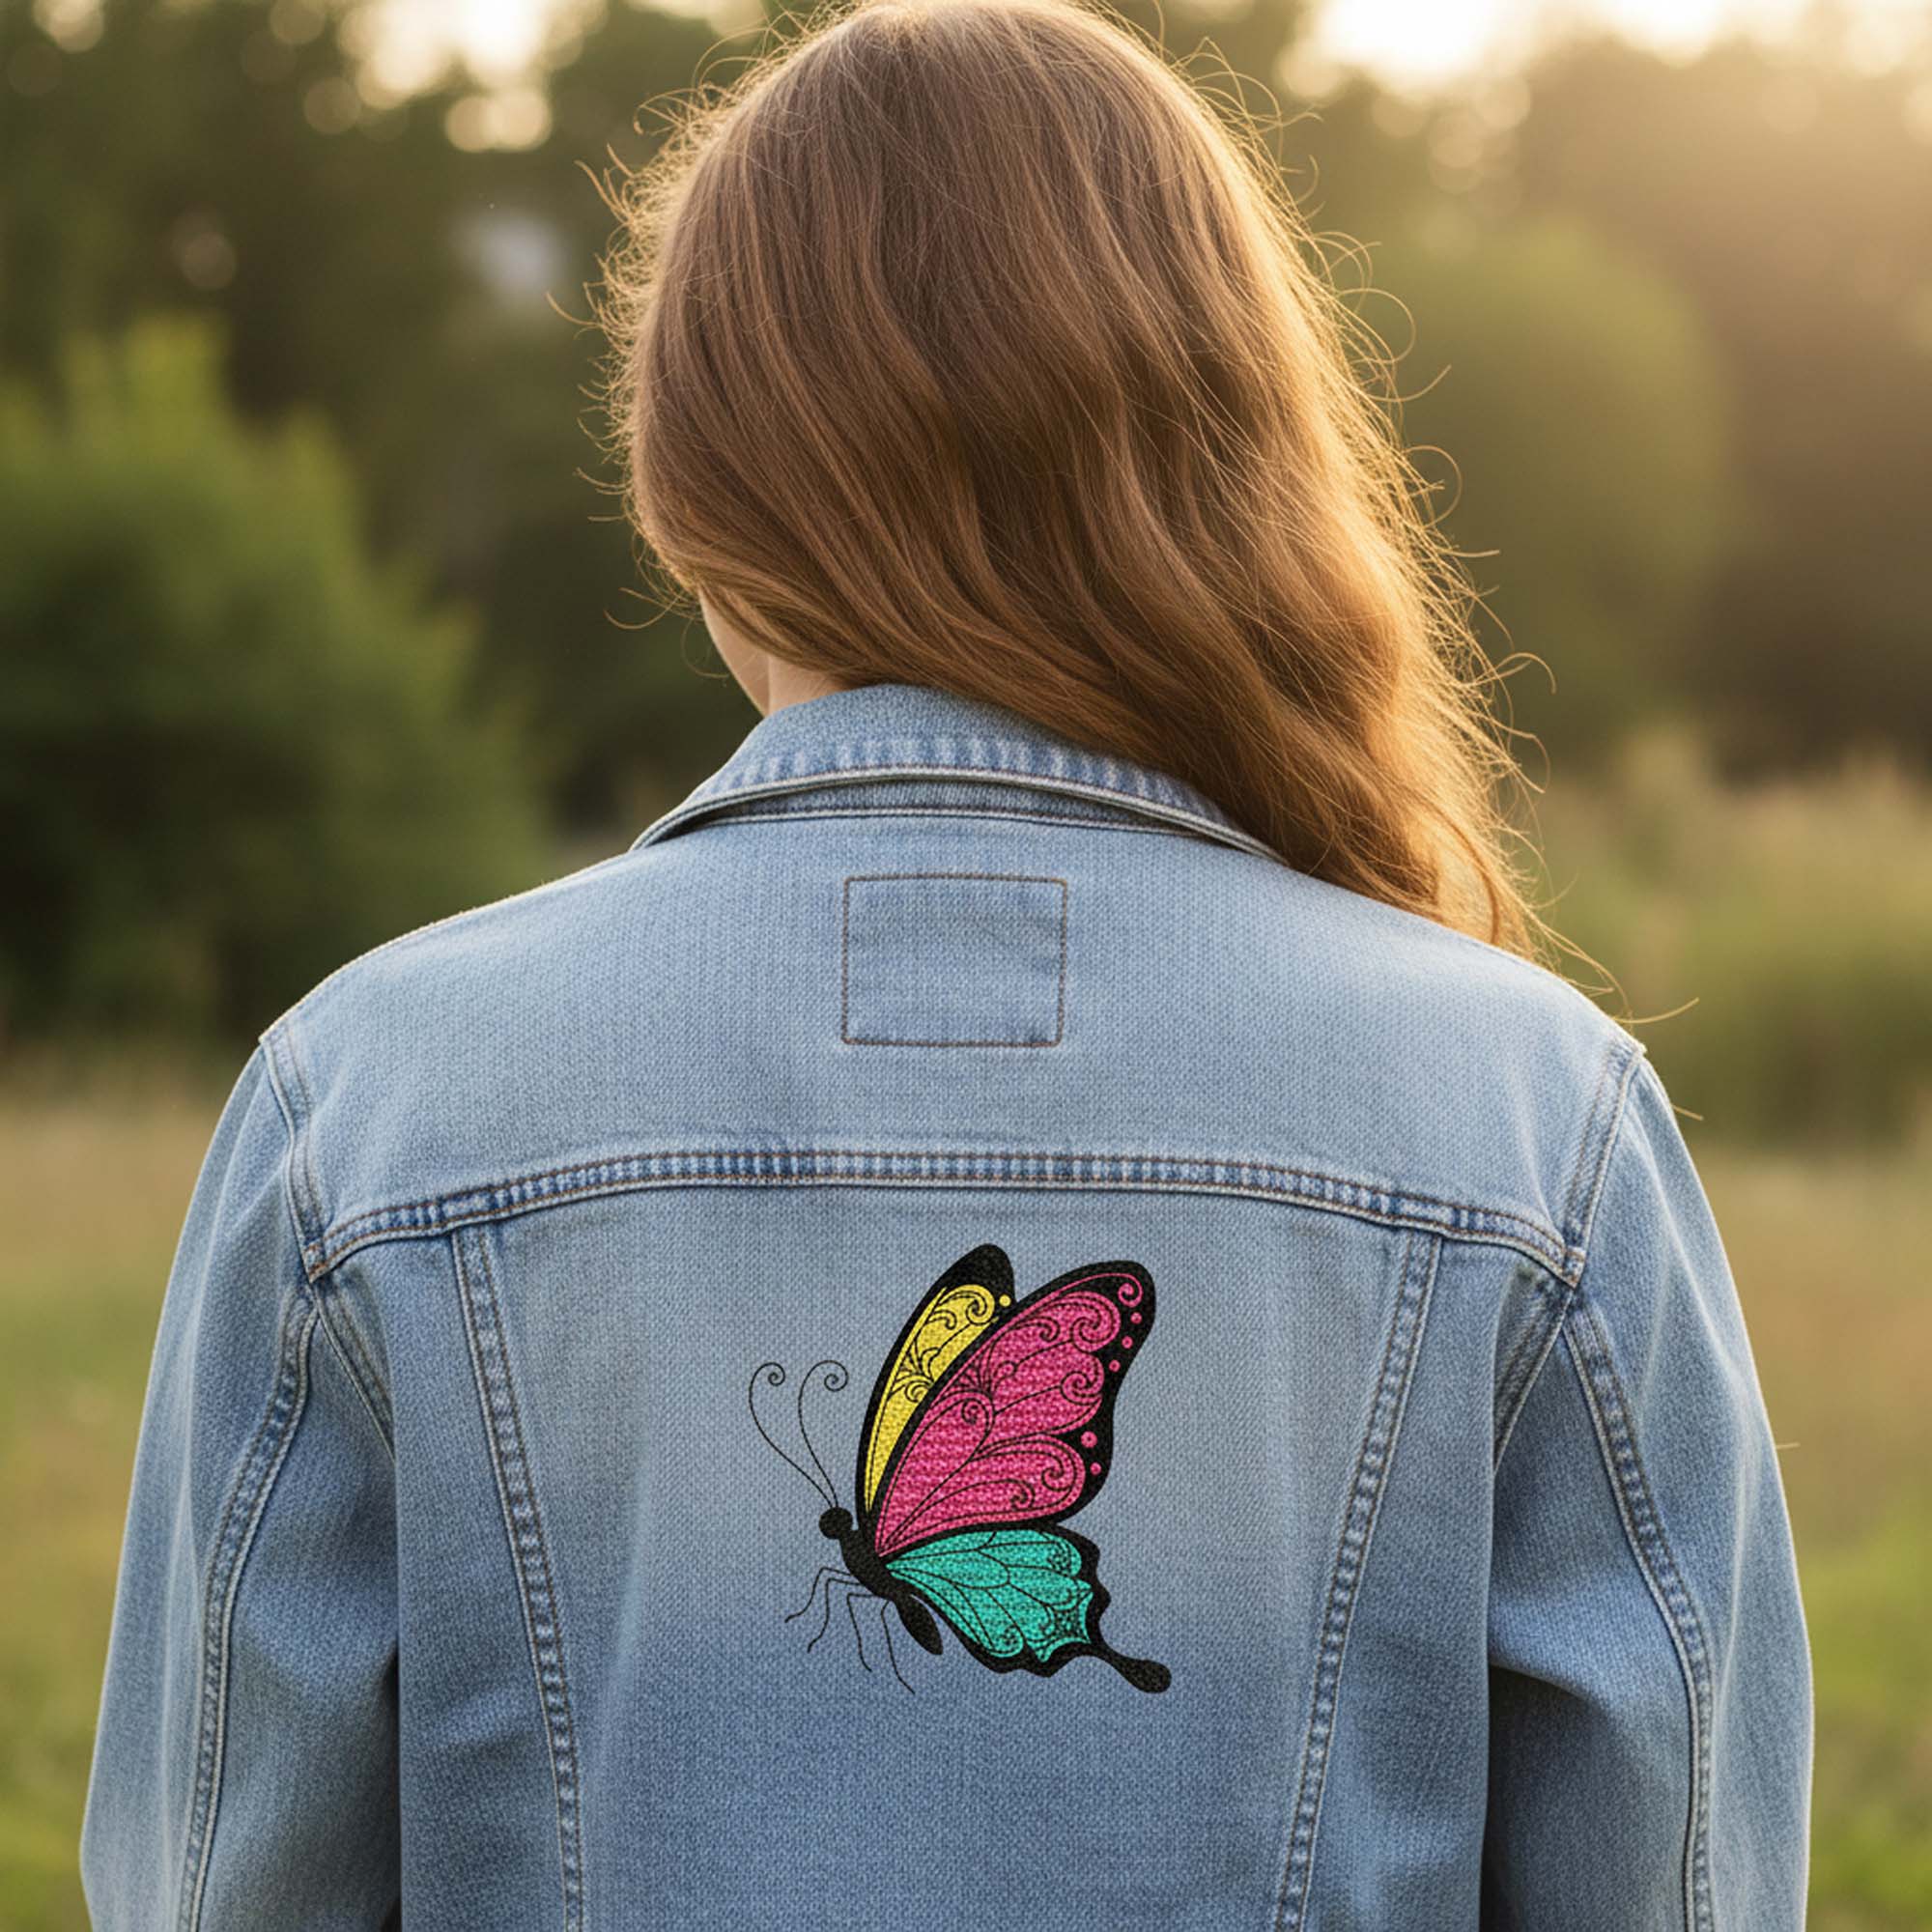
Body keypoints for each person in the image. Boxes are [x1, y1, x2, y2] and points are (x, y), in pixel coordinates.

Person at [80, 0, 1812, 1925]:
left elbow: (222, 1884)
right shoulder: (1536, 1125)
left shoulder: (365, 1112)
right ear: (1234, 457)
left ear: (688, 503)